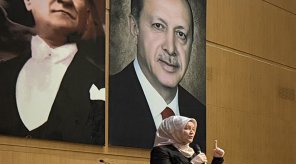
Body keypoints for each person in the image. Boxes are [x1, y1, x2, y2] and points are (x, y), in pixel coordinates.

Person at [0, 0, 104, 144]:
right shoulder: (3, 74)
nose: (65, 0)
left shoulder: (104, 84)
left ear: (87, 13)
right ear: (28, 1)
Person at [109, 0, 206, 148]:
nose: (171, 48)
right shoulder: (105, 102)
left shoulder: (202, 116)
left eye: (181, 34)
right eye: (158, 26)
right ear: (134, 27)